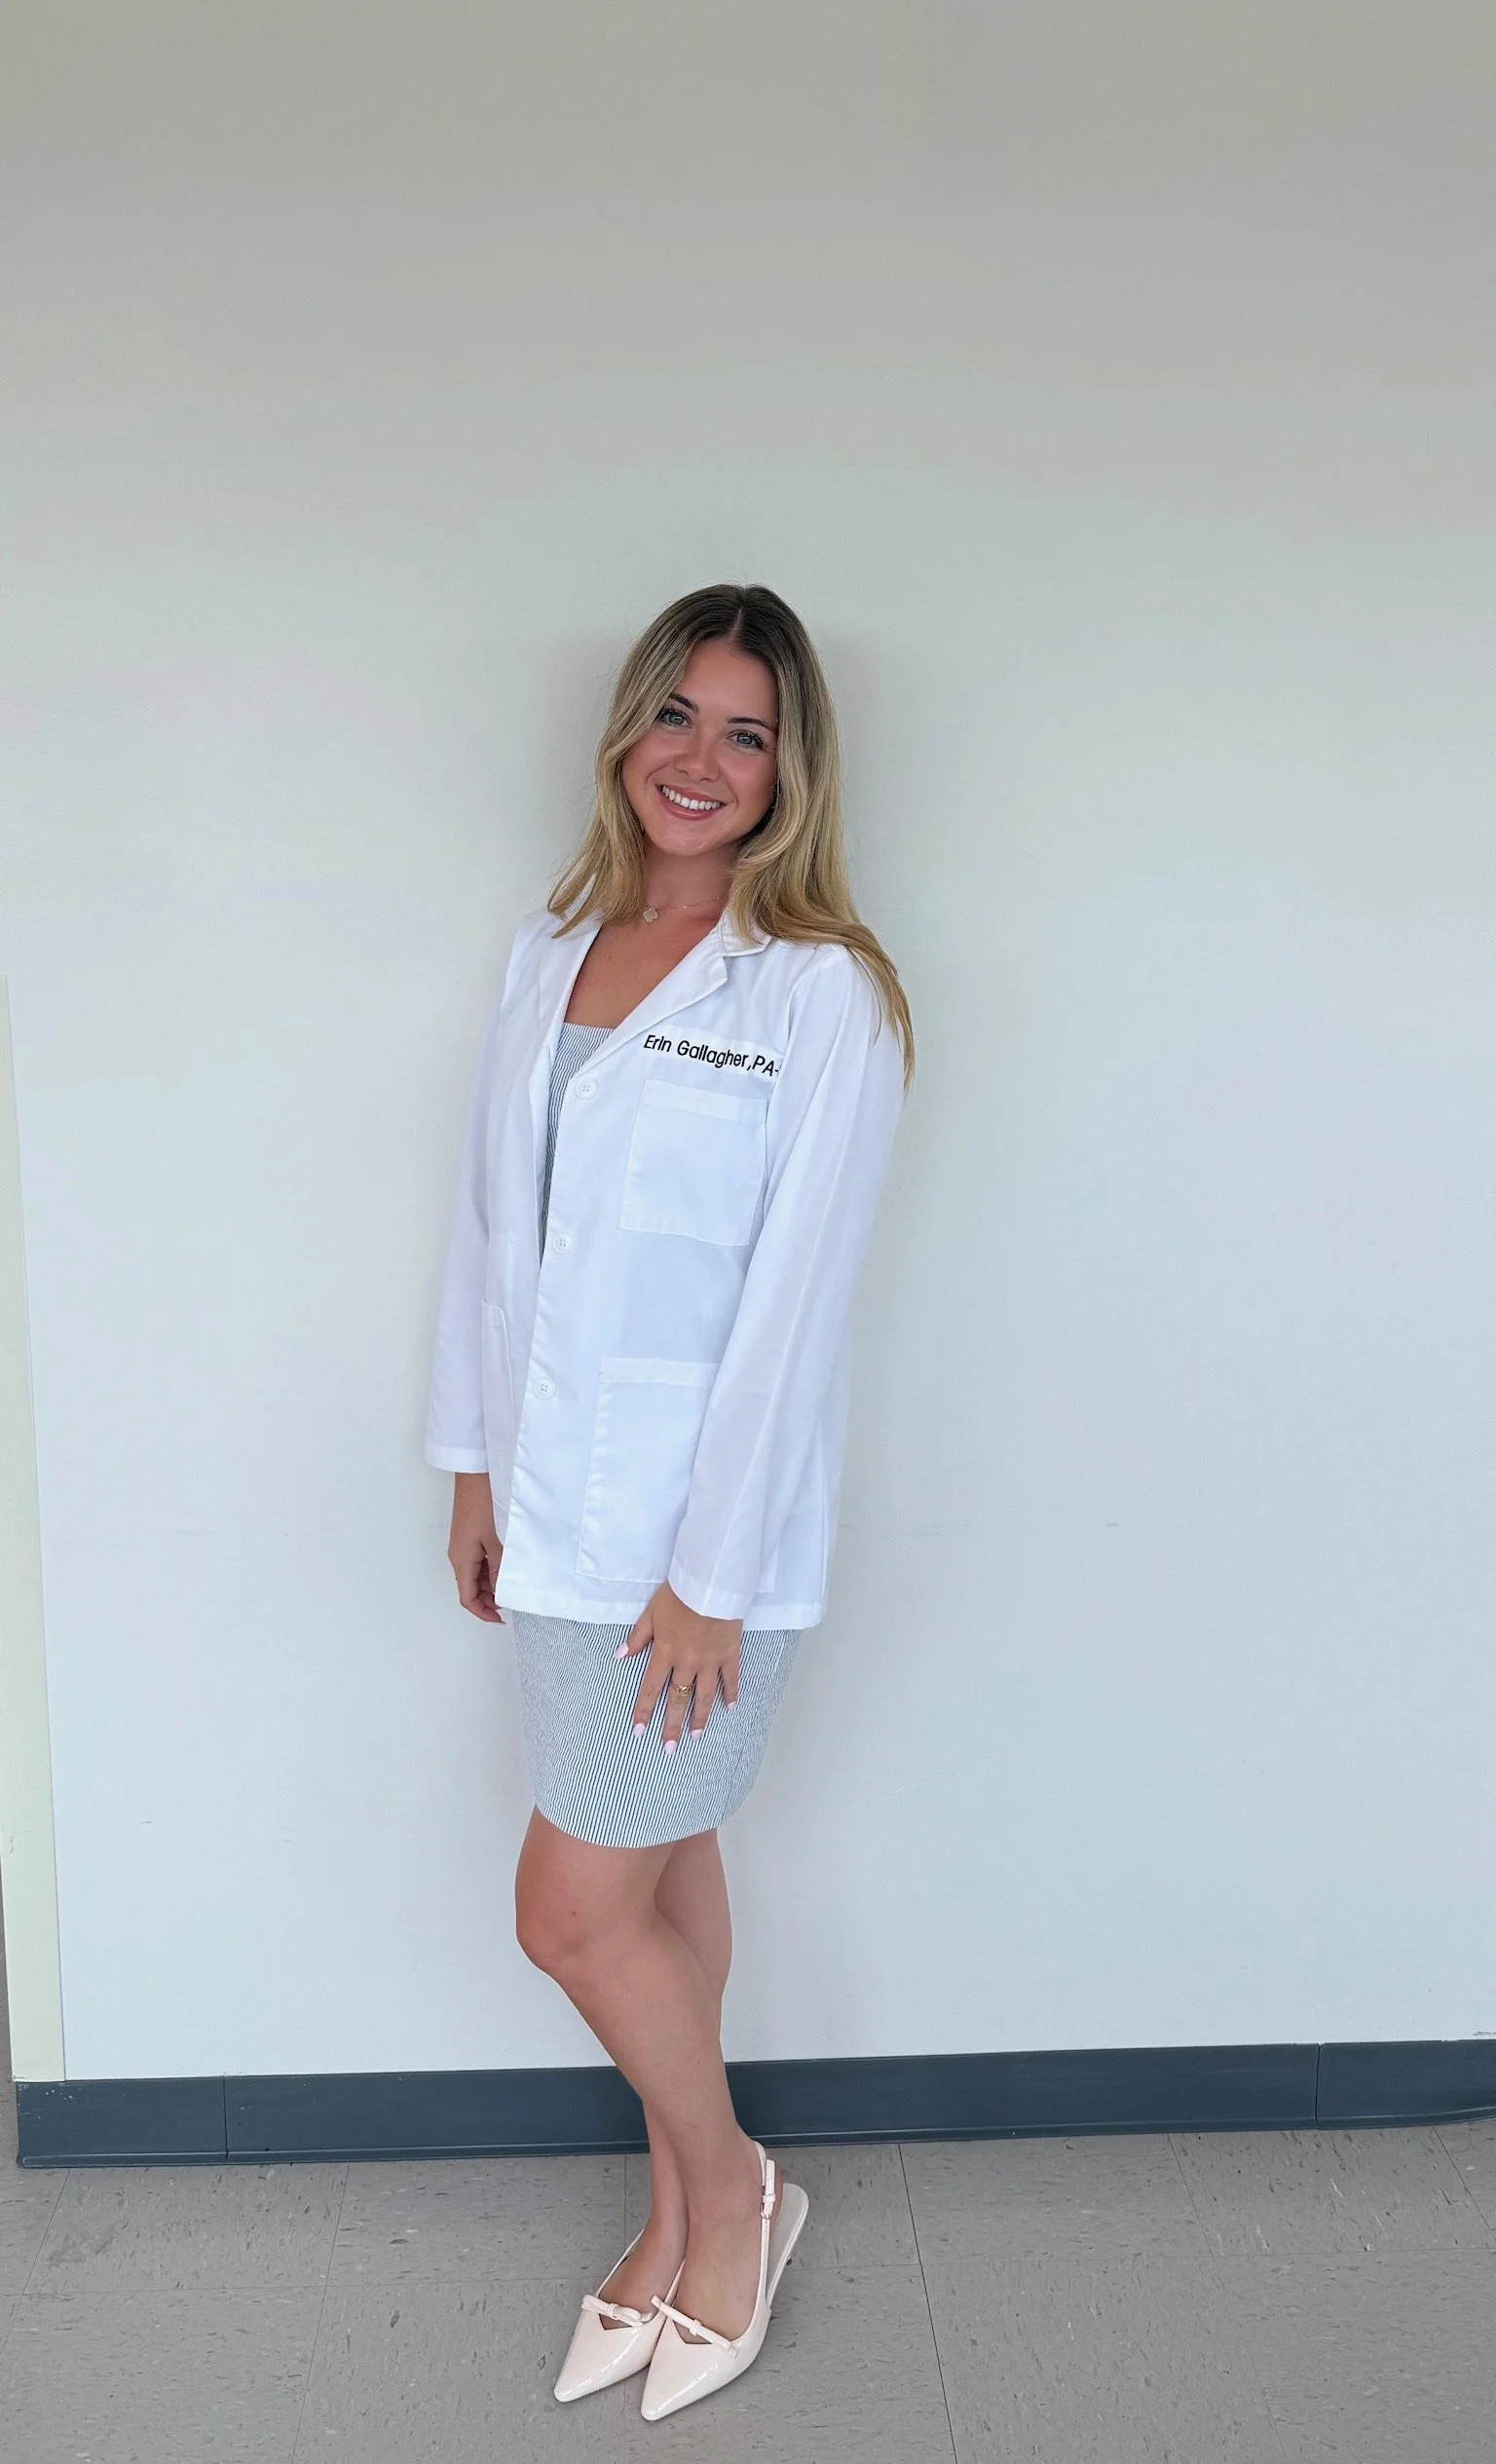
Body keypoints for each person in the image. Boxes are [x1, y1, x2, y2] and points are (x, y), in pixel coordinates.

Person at [425, 581, 913, 2420]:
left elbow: (793, 1309)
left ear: (793, 773)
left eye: (747, 730)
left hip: (697, 1540)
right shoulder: (556, 948)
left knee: (568, 1907)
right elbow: (494, 1228)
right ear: (626, 730)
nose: (700, 761)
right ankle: (673, 2210)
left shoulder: (822, 994)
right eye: (677, 717)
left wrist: (710, 1576)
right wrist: (472, 1458)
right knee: (662, 1860)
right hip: (550, 1508)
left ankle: (733, 2192)